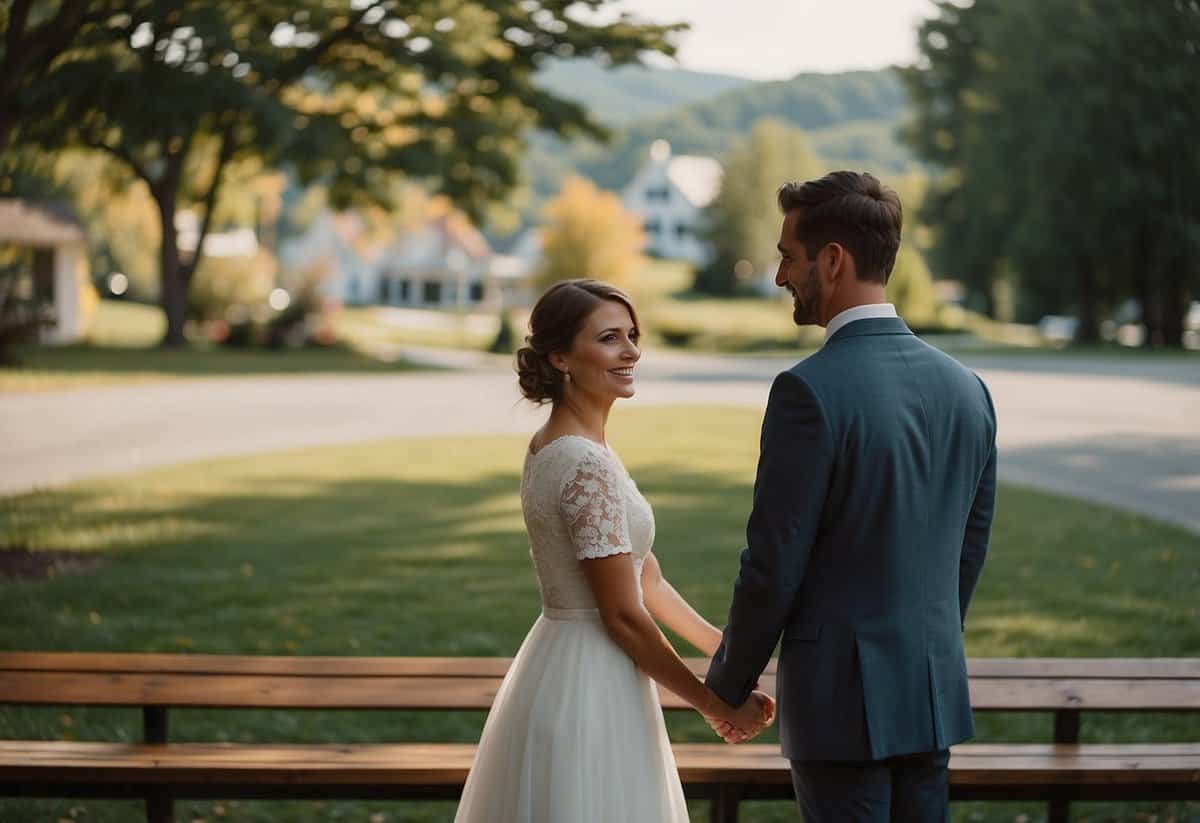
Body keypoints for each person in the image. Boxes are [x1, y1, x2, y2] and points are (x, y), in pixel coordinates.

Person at [704, 171, 998, 822]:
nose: (781, 275)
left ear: (831, 259)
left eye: (787, 255)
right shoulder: (968, 389)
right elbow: (968, 550)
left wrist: (727, 683)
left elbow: (773, 563)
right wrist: (927, 643)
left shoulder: (807, 391)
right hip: (930, 690)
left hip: (840, 705)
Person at [454, 278, 774, 823]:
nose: (630, 351)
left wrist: (726, 652)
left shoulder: (559, 445)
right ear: (560, 357)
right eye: (609, 338)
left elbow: (642, 575)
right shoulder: (585, 462)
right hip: (589, 683)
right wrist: (714, 704)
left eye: (632, 335)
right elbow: (623, 614)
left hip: (567, 663)